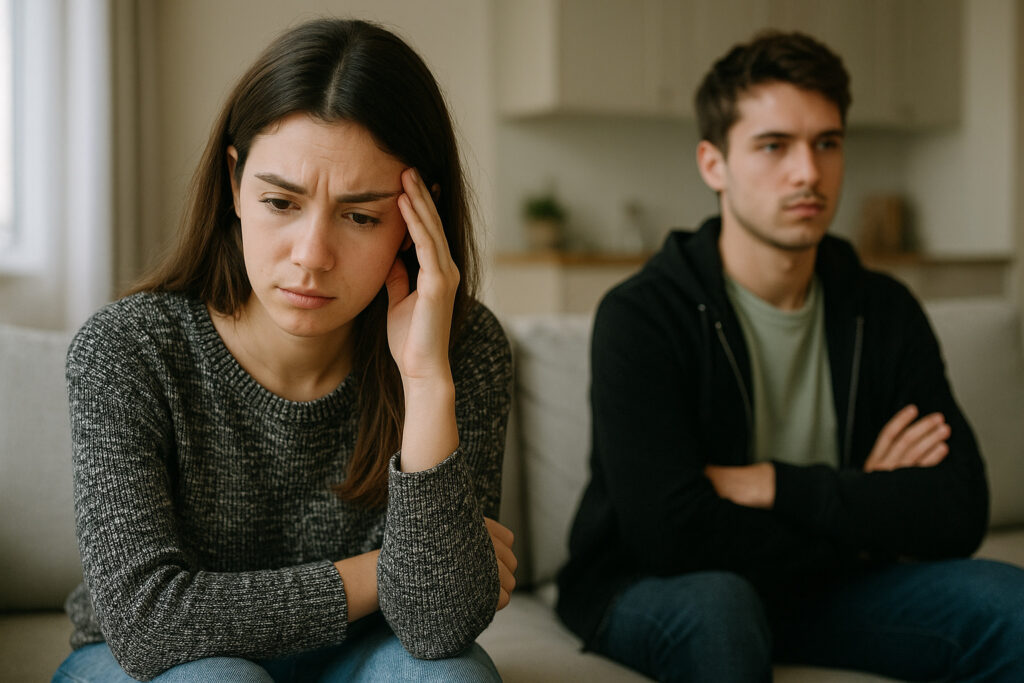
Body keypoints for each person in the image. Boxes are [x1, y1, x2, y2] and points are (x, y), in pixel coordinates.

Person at [53, 18, 516, 683]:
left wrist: (425, 380)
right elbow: (147, 621)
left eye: (360, 216)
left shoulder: (464, 349)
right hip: (156, 666)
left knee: (450, 676)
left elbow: (440, 624)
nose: (312, 256)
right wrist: (384, 567)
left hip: (360, 657)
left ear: (420, 219)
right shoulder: (128, 350)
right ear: (235, 182)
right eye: (280, 201)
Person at [557, 30, 1024, 682]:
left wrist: (771, 482)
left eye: (827, 143)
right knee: (723, 607)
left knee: (1011, 603)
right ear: (712, 163)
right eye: (774, 145)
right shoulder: (644, 314)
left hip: (826, 592)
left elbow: (960, 506)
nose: (808, 171)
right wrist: (866, 507)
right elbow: (670, 532)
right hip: (652, 585)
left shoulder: (881, 308)